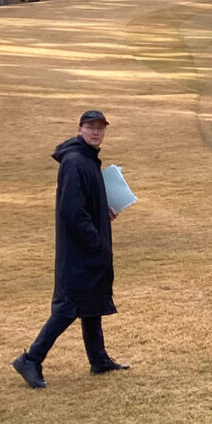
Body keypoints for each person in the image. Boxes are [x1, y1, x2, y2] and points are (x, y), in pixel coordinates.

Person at [12, 111, 130, 389]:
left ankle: (98, 359)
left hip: (88, 247)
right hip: (79, 251)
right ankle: (30, 359)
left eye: (101, 127)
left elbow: (83, 202)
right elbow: (72, 210)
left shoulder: (87, 158)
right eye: (91, 127)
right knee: (68, 307)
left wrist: (102, 211)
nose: (96, 132)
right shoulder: (76, 161)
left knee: (92, 302)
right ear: (80, 129)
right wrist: (95, 240)